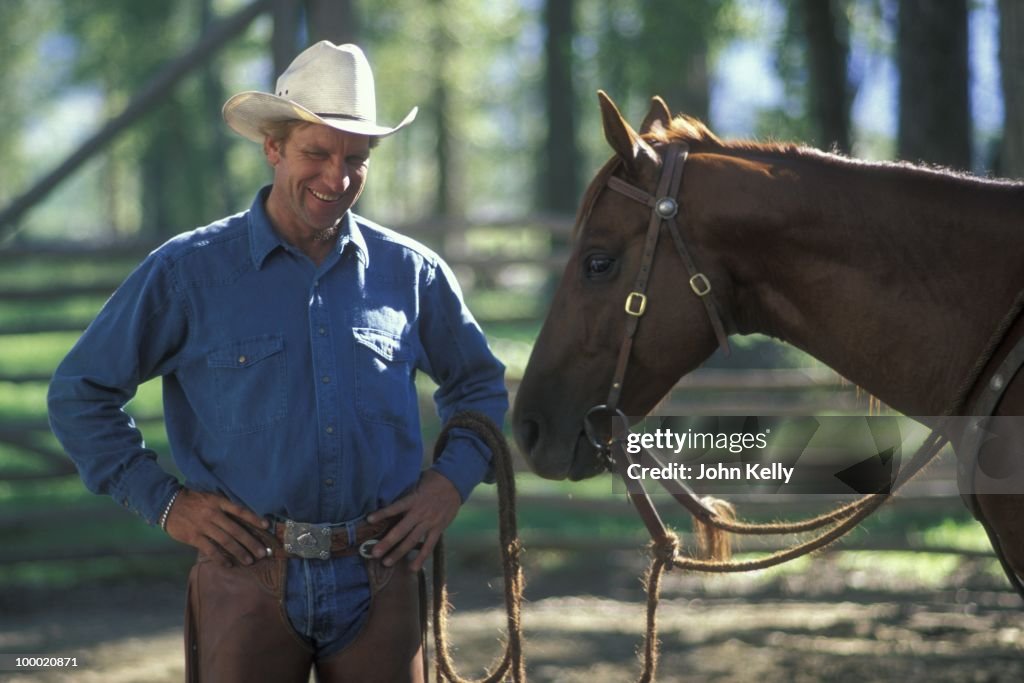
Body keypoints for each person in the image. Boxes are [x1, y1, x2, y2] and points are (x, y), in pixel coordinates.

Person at [47, 41, 507, 682]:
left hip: (382, 572)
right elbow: (80, 393)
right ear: (273, 147)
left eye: (356, 159)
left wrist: (447, 486)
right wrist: (165, 504)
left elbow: (479, 385)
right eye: (316, 153)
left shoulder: (412, 273)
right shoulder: (189, 271)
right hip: (245, 576)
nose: (336, 177)